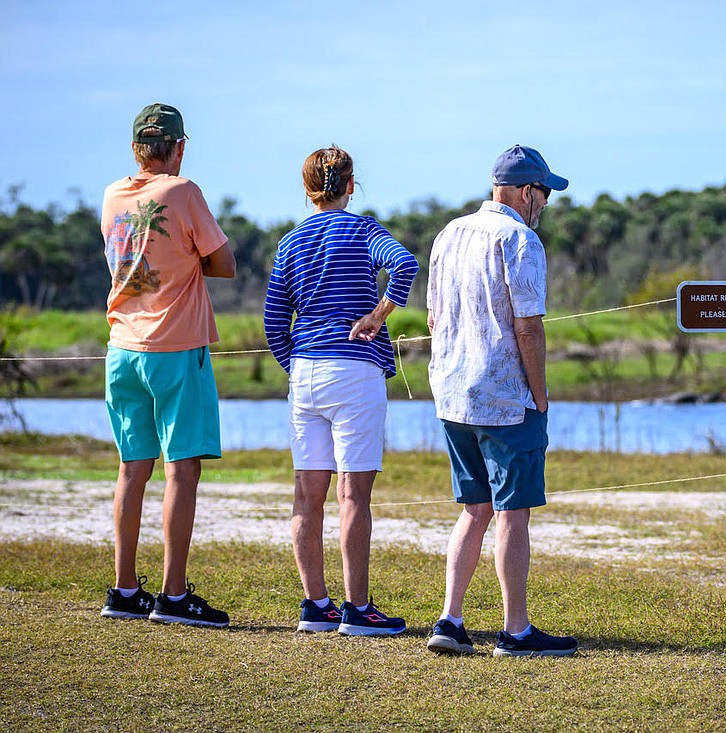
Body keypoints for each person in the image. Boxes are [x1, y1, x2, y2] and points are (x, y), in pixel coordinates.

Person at [424, 145, 577, 657]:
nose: (546, 204)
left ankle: (450, 619)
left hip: (452, 392)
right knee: (513, 512)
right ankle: (516, 630)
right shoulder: (520, 238)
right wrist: (541, 394)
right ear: (527, 192)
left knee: (473, 509)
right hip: (506, 396)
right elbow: (528, 327)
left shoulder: (448, 232)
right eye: (545, 194)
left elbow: (432, 318)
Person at [263, 145, 419, 636]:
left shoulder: (290, 242)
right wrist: (376, 316)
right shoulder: (364, 228)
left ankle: (316, 605)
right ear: (350, 185)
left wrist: (297, 363)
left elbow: (273, 320)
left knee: (308, 495)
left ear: (306, 187)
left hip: (305, 373)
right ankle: (357, 609)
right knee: (354, 495)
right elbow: (406, 266)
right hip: (354, 371)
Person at [99, 103, 236, 627]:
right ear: (178, 147)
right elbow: (223, 262)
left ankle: (124, 589)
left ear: (136, 148)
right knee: (183, 467)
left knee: (133, 467)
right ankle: (174, 595)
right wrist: (186, 260)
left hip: (122, 348)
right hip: (176, 347)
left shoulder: (112, 195)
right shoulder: (183, 192)